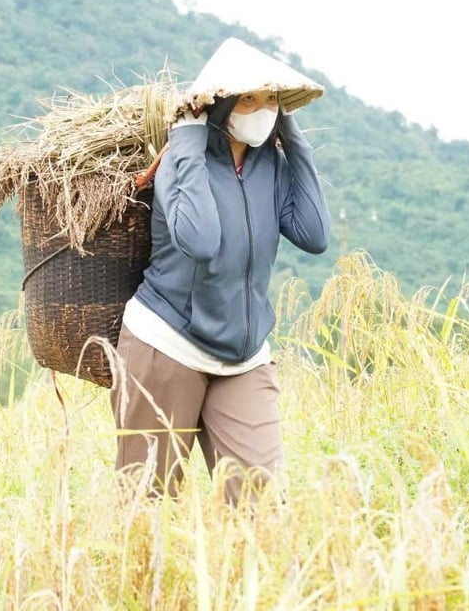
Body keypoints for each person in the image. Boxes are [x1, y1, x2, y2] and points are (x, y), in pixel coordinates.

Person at [111, 37, 331, 505]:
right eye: (249, 99)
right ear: (222, 104)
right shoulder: (182, 162)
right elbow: (201, 242)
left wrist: (293, 140)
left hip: (243, 356)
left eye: (271, 99)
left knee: (262, 505)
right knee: (144, 505)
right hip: (167, 345)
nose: (262, 109)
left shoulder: (269, 162)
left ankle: (243, 581)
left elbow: (314, 235)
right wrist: (187, 141)